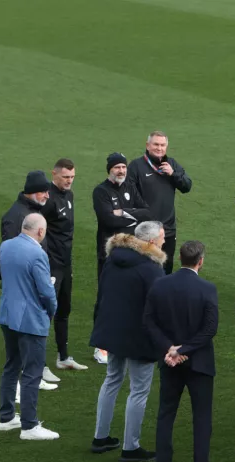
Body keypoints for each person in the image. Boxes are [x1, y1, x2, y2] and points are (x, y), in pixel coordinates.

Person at [143, 241, 221, 462]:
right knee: (202, 417)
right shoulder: (207, 288)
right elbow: (210, 330)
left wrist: (171, 349)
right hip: (199, 363)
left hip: (170, 363)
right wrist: (184, 350)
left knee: (166, 413)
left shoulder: (161, 285)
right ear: (201, 261)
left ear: (179, 257)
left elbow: (148, 322)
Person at [89, 221, 167, 461]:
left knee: (112, 379)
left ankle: (100, 437)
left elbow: (102, 294)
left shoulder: (113, 259)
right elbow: (157, 309)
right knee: (139, 390)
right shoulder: (152, 268)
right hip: (139, 337)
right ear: (152, 242)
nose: (165, 240)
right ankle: (130, 446)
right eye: (163, 237)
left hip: (113, 331)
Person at [0, 213, 59, 440]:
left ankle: (6, 418)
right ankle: (29, 426)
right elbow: (46, 291)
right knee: (32, 372)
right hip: (30, 320)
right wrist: (52, 310)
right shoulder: (37, 254)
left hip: (7, 315)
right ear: (40, 232)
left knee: (11, 366)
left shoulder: (6, 246)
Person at [0, 171, 59, 391]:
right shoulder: (16, 216)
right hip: (22, 288)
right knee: (20, 339)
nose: (46, 196)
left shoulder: (30, 211)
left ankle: (30, 374)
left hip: (29, 284)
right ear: (32, 191)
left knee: (24, 338)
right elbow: (11, 255)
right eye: (43, 191)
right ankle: (20, 385)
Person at [92, 152, 150, 365]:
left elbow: (147, 212)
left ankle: (124, 341)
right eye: (117, 167)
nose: (121, 171)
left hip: (131, 253)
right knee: (106, 298)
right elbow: (107, 220)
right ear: (109, 169)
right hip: (108, 254)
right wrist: (130, 218)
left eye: (123, 167)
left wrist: (123, 213)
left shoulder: (130, 188)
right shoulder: (101, 191)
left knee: (129, 297)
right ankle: (101, 347)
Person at [42, 159, 88, 372]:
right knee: (45, 313)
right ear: (54, 174)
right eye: (66, 177)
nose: (69, 181)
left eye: (72, 177)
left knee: (64, 309)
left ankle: (63, 357)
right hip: (51, 265)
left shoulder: (68, 195)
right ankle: (39, 364)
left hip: (66, 263)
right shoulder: (48, 199)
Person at [125, 131, 192, 274]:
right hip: (145, 230)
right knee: (144, 268)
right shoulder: (136, 166)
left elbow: (187, 186)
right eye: (156, 144)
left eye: (163, 145)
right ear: (148, 145)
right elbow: (129, 196)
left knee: (166, 268)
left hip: (167, 229)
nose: (159, 148)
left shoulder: (171, 164)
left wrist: (173, 174)